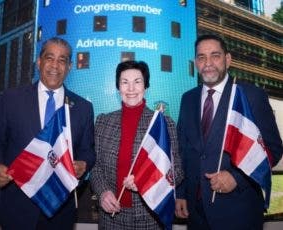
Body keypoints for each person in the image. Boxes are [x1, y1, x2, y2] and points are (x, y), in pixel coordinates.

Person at [0, 37, 95, 230]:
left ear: (69, 67)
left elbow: (88, 150)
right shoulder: (13, 98)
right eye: (49, 58)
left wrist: (84, 164)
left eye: (62, 60)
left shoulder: (83, 108)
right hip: (16, 208)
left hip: (60, 212)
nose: (55, 65)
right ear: (39, 61)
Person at [175, 34, 283, 230]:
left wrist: (237, 177)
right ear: (195, 63)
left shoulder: (251, 95)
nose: (208, 63)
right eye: (201, 57)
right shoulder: (187, 99)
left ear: (228, 59)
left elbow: (273, 149)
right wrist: (181, 193)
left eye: (215, 55)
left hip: (239, 212)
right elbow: (182, 151)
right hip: (196, 213)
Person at [90, 60, 184, 229]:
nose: (131, 89)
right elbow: (95, 167)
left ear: (146, 86)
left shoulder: (163, 125)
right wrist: (103, 192)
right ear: (118, 88)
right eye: (125, 82)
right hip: (111, 217)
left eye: (137, 82)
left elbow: (177, 171)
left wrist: (145, 180)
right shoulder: (103, 122)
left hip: (149, 217)